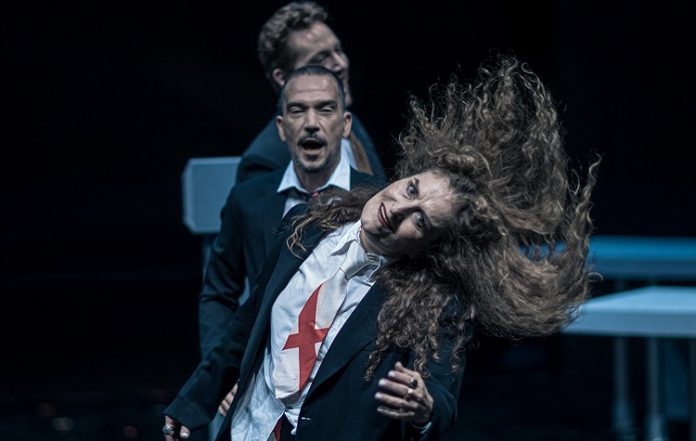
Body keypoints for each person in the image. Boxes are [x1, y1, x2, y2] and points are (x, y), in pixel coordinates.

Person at [163, 56, 598, 441]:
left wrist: (424, 407)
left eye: (420, 220)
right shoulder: (305, 225)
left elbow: (441, 400)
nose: (398, 208)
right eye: (411, 189)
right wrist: (194, 402)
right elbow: (246, 323)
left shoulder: (434, 302)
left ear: (431, 245)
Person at [200, 65, 385, 422]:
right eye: (298, 110)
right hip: (267, 398)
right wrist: (221, 374)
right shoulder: (248, 201)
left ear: (345, 124)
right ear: (282, 127)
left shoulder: (376, 199)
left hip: (350, 394)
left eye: (325, 109)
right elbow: (218, 293)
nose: (311, 123)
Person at [237, 1, 386, 184]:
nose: (341, 64)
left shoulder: (351, 123)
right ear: (282, 77)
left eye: (339, 50)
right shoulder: (264, 162)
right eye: (320, 59)